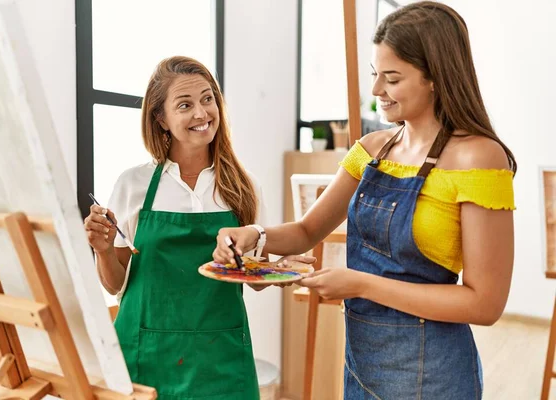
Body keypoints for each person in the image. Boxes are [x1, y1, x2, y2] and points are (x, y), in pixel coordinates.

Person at [213, 2, 516, 399]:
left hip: (432, 376)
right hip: (362, 367)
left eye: (392, 78)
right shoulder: (372, 150)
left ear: (435, 78)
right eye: (375, 75)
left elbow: (485, 304)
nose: (376, 91)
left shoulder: (478, 157)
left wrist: (361, 284)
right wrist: (252, 235)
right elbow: (306, 231)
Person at [84, 56, 296, 399]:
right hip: (144, 354)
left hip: (221, 357)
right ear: (161, 119)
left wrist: (278, 270)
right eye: (185, 104)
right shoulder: (133, 184)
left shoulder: (243, 186)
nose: (201, 113)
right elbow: (114, 284)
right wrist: (103, 249)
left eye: (207, 99)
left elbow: (256, 282)